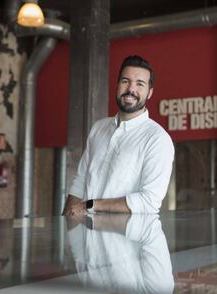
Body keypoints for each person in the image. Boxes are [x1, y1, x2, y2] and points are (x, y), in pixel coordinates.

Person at [62, 55, 174, 221]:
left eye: (139, 84)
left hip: (126, 242)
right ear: (117, 85)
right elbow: (80, 181)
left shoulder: (157, 139)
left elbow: (149, 202)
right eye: (125, 81)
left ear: (150, 93)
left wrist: (92, 205)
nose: (131, 89)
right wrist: (67, 227)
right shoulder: (99, 128)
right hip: (88, 240)